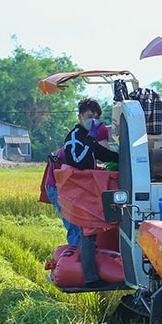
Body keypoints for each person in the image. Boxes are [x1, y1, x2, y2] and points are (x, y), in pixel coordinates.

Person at [39, 98, 116, 246]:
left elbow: (102, 154)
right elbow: (79, 161)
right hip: (59, 187)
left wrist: (121, 159)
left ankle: (83, 258)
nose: (93, 121)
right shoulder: (75, 138)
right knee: (76, 227)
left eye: (97, 118)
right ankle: (77, 261)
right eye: (89, 117)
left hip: (74, 186)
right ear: (80, 117)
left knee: (86, 226)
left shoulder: (88, 137)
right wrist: (90, 139)